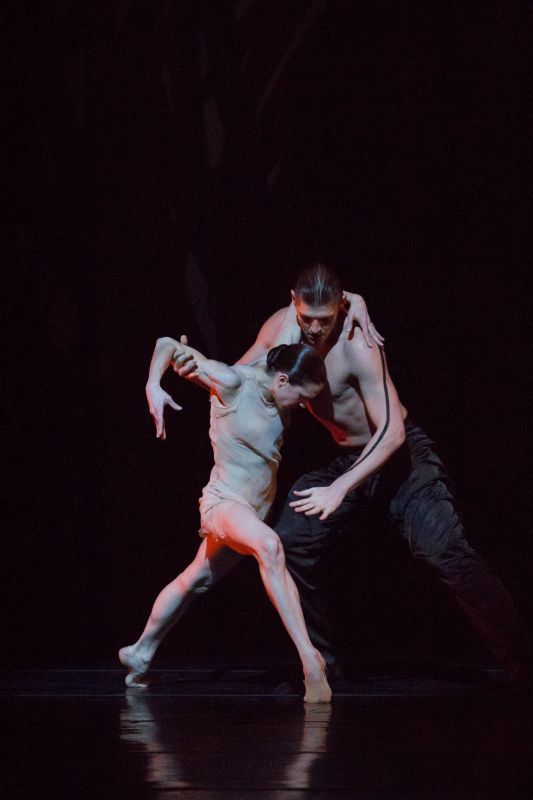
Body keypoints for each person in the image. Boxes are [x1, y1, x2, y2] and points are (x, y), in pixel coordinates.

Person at [157, 263, 530, 685]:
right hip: (346, 459)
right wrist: (194, 365)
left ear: (340, 308)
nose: (314, 330)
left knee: (446, 552)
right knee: (289, 543)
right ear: (292, 303)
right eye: (306, 319)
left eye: (325, 319)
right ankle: (322, 665)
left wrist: (339, 487)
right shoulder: (282, 328)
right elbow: (238, 380)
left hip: (400, 458)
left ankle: (522, 662)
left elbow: (390, 433)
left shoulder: (357, 341)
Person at [119, 338, 332, 702]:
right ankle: (311, 661)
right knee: (270, 546)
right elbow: (166, 344)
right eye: (302, 396)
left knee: (193, 581)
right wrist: (153, 384)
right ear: (282, 381)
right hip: (223, 505)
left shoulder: (279, 389)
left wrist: (354, 303)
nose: (304, 405)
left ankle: (139, 651)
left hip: (250, 512)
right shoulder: (233, 381)